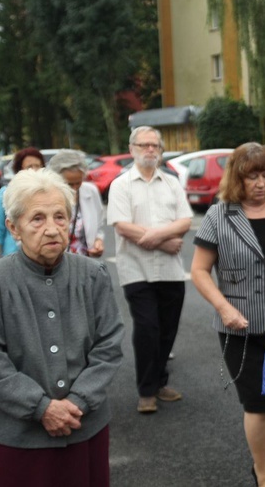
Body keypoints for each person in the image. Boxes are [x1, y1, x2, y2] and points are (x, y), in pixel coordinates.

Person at [0, 169, 124, 487]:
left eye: (60, 217)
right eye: (37, 219)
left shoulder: (93, 275)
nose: (52, 229)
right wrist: (41, 407)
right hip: (17, 436)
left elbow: (109, 345)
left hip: (84, 426)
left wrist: (77, 402)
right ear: (14, 227)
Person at [191, 143, 265, 487]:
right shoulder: (219, 215)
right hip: (241, 325)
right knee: (256, 402)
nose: (260, 183)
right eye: (252, 176)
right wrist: (224, 308)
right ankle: (263, 472)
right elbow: (199, 271)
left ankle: (264, 460)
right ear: (238, 177)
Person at [107, 126, 193, 414]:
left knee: (167, 330)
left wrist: (158, 238)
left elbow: (185, 220)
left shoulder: (171, 183)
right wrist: (163, 241)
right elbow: (122, 226)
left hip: (170, 270)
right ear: (132, 149)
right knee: (147, 329)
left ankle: (159, 382)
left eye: (155, 145)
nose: (150, 150)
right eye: (143, 145)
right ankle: (146, 391)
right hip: (136, 270)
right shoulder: (121, 184)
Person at [0, 148, 45, 261]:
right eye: (29, 167)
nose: (34, 170)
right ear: (19, 170)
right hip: (13, 257)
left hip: (41, 258)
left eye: (38, 166)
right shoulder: (6, 193)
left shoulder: (47, 194)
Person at [47, 150, 105, 258]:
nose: (74, 188)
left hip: (85, 262)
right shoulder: (46, 197)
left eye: (78, 182)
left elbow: (99, 225)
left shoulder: (91, 191)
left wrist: (98, 241)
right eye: (69, 184)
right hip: (55, 262)